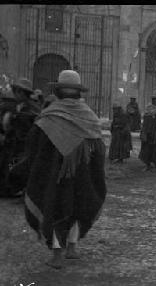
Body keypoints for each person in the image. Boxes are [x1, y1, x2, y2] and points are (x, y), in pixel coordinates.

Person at [23, 70, 106, 269]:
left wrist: (34, 169)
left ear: (58, 91)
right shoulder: (89, 116)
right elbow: (99, 150)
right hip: (83, 175)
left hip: (54, 175)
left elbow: (35, 147)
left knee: (54, 207)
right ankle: (72, 248)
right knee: (79, 206)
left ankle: (58, 254)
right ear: (78, 92)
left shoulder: (49, 116)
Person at [1, 78, 40, 197]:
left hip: (22, 148)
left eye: (17, 91)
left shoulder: (30, 110)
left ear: (23, 93)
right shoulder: (18, 107)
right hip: (14, 145)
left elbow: (23, 132)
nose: (15, 94)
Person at [139, 89, 156, 171]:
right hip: (148, 131)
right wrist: (143, 131)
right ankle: (147, 164)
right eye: (155, 99)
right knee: (147, 148)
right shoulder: (148, 108)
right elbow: (145, 120)